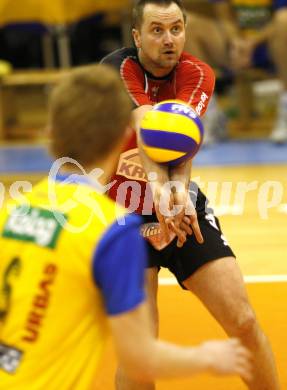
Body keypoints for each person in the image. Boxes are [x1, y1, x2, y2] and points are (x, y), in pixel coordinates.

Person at [0, 64, 253, 389]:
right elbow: (139, 355)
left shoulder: (14, 209)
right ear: (125, 139)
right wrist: (207, 357)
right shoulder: (110, 229)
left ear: (50, 133)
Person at [101, 1, 280, 389]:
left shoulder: (197, 73)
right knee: (140, 352)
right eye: (157, 30)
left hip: (178, 204)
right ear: (137, 36)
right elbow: (149, 129)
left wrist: (178, 194)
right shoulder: (117, 69)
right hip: (123, 213)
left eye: (177, 29)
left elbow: (180, 141)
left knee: (244, 322)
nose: (170, 40)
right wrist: (162, 197)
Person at [185, 0, 287, 144]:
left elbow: (280, 17)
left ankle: (285, 106)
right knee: (188, 23)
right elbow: (226, 18)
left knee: (284, 20)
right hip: (237, 46)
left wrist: (252, 42)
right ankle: (208, 111)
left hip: (269, 43)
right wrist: (236, 42)